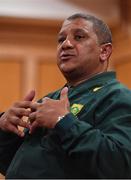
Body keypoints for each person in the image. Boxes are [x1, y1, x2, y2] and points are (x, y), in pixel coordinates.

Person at [0, 13, 131, 179]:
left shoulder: (119, 97)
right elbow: (18, 167)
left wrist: (64, 121)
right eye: (61, 39)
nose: (66, 44)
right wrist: (4, 131)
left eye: (79, 37)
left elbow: (120, 166)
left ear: (104, 51)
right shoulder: (50, 100)